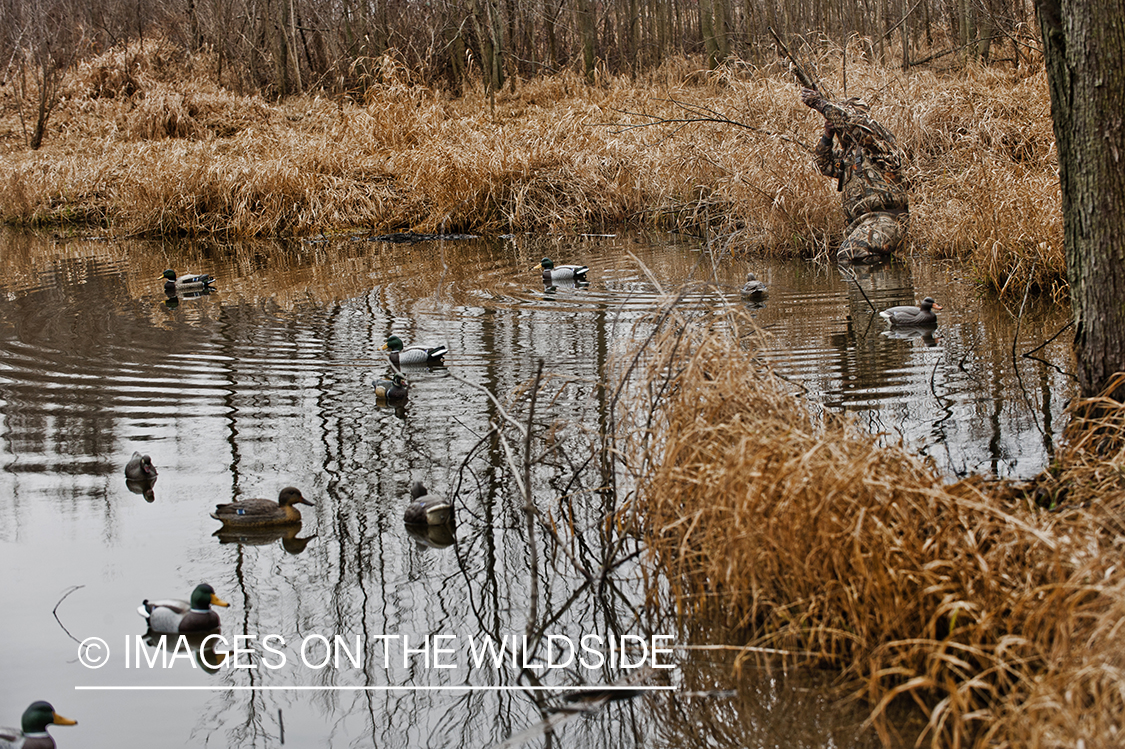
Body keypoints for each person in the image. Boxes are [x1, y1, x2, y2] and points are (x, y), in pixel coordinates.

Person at [800, 87, 909, 263]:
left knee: (850, 253)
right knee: (849, 257)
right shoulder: (849, 154)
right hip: (858, 224)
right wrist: (828, 135)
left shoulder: (878, 141)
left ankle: (887, 283)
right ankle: (890, 276)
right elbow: (823, 165)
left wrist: (820, 104)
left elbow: (855, 124)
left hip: (885, 219)